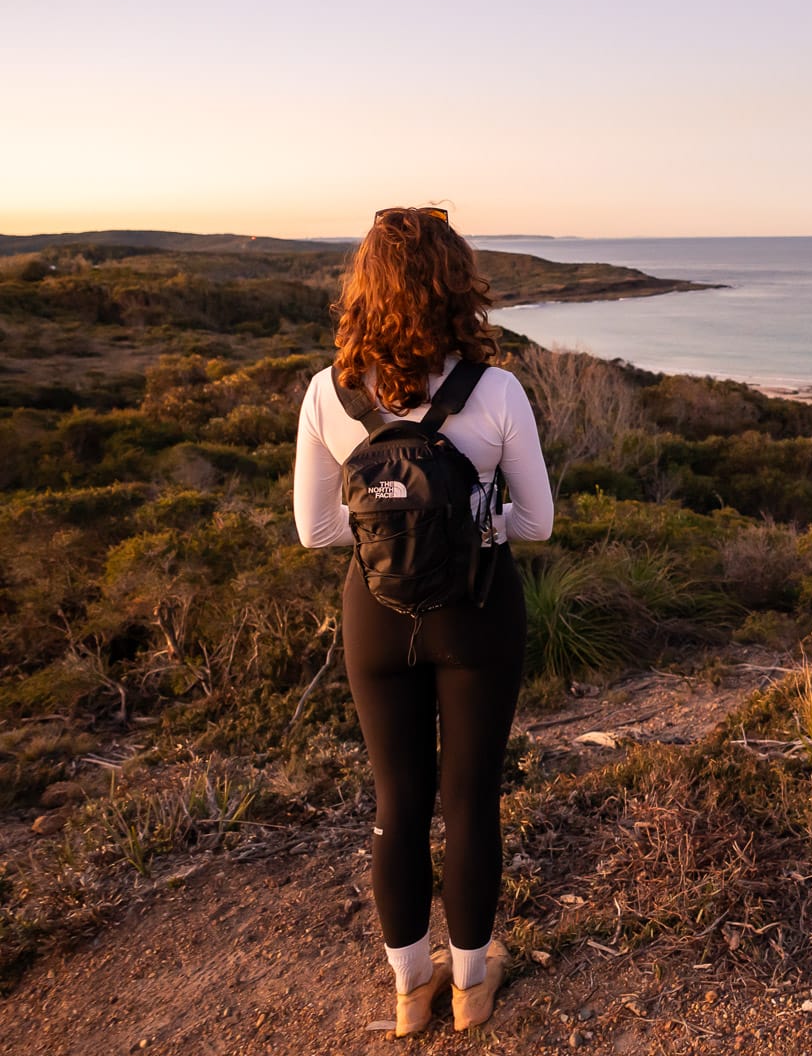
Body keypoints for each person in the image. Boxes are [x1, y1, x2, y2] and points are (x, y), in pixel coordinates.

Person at [293, 206, 554, 1036]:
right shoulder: (498, 390)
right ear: (457, 286)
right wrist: (477, 528)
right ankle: (473, 985)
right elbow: (539, 522)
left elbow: (316, 531)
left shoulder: (327, 394)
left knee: (396, 803)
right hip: (476, 613)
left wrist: (386, 536)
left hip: (375, 616)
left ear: (362, 288)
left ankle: (410, 991)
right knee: (472, 799)